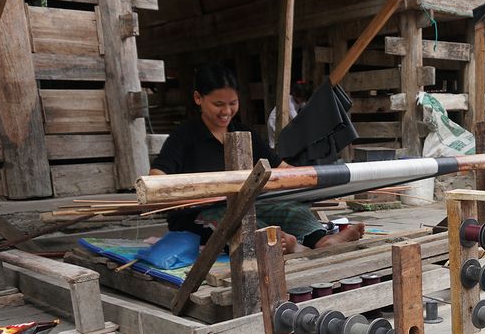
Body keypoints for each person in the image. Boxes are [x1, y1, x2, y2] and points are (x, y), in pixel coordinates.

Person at [151, 64, 363, 253]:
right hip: (197, 213)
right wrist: (179, 193)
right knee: (244, 223)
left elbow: (282, 168)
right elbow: (156, 177)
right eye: (218, 104)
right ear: (198, 99)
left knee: (292, 209)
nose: (226, 111)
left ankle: (321, 241)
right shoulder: (185, 136)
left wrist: (318, 183)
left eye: (233, 103)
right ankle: (286, 245)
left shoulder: (245, 133)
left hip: (245, 204)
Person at [267, 81, 313, 149]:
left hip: (284, 123)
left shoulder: (300, 101)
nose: (303, 100)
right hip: (274, 122)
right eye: (302, 98)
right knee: (276, 144)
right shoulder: (289, 102)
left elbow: (305, 108)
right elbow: (296, 119)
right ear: (295, 95)